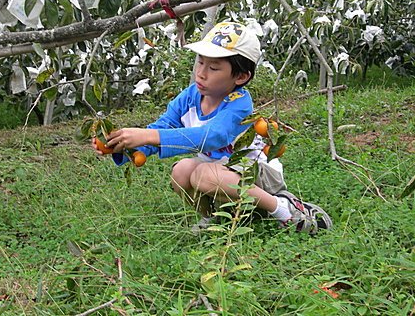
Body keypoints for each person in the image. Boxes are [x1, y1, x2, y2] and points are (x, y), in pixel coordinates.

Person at [92, 22, 332, 235]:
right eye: (200, 62)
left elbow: (213, 136)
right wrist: (121, 146)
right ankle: (218, 218)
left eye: (214, 68)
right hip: (221, 175)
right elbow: (163, 128)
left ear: (240, 76)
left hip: (257, 175)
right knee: (181, 171)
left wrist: (148, 135)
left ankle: (284, 209)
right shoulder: (190, 97)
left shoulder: (239, 102)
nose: (201, 73)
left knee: (203, 175)